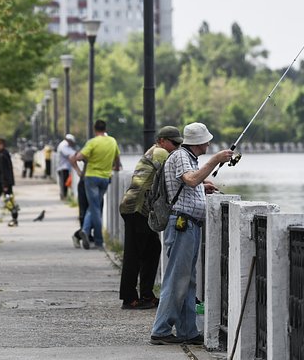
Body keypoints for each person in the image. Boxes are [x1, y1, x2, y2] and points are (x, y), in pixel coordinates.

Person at [149, 122, 232, 345]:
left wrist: (201, 188)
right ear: (200, 142)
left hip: (190, 225)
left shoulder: (187, 157)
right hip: (182, 225)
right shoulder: (181, 156)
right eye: (207, 140)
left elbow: (189, 184)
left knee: (188, 281)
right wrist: (215, 160)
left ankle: (188, 331)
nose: (209, 143)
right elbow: (191, 179)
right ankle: (161, 330)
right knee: (176, 279)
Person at [119, 126, 183, 310]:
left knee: (152, 249)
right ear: (162, 140)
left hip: (137, 208)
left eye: (179, 144)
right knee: (135, 254)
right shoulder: (160, 152)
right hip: (137, 208)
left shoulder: (158, 151)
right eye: (174, 143)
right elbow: (175, 176)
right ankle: (130, 298)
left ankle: (147, 294)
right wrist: (200, 184)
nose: (177, 147)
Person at [70, 120, 120, 250]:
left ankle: (97, 239)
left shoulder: (92, 142)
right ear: (105, 128)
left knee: (94, 208)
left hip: (91, 177)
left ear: (94, 129)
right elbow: (117, 161)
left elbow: (79, 157)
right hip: (105, 178)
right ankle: (86, 232)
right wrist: (113, 167)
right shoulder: (112, 141)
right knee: (95, 207)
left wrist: (79, 167)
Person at [56, 134, 77, 200]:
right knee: (64, 183)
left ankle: (64, 195)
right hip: (63, 167)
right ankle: (63, 196)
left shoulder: (66, 145)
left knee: (65, 182)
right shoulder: (63, 145)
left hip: (65, 167)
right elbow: (70, 153)